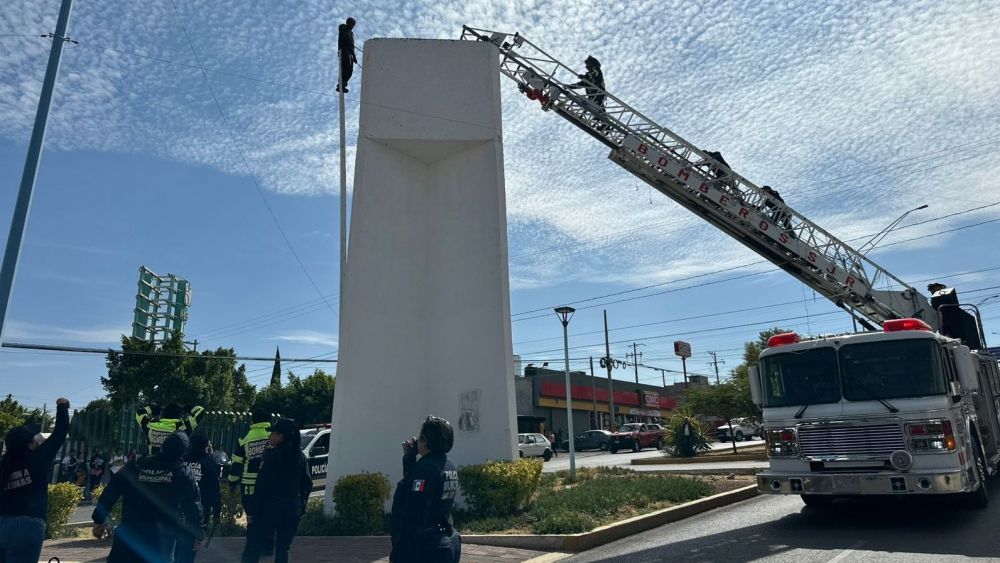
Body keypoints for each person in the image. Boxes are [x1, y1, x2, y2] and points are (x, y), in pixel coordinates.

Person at [93, 432, 206, 563]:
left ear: (163, 446)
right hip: (160, 543)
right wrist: (199, 534)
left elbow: (111, 492)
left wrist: (98, 519)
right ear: (183, 452)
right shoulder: (182, 473)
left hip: (128, 537)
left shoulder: (136, 465)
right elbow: (193, 506)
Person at [0, 397, 69, 562]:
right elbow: (59, 433)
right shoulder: (38, 458)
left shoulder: (4, 466)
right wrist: (63, 407)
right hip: (29, 526)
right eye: (34, 439)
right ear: (29, 444)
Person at [389, 416, 461, 563]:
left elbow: (415, 512)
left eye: (420, 437)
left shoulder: (425, 468)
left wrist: (400, 550)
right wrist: (409, 460)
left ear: (426, 441)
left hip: (428, 547)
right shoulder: (448, 465)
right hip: (449, 538)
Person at [240, 419, 312, 563]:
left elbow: (261, 486)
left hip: (270, 509)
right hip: (292, 509)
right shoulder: (300, 457)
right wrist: (301, 504)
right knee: (283, 550)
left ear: (280, 436)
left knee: (253, 547)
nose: (269, 436)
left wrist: (253, 512)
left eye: (272, 433)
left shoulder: (271, 457)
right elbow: (307, 484)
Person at [228, 409, 273, 555]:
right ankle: (268, 547)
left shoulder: (244, 437)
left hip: (249, 485)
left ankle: (252, 547)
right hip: (269, 484)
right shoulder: (274, 434)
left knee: (252, 517)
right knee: (268, 516)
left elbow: (236, 462)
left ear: (253, 420)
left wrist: (232, 483)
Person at [177, 434, 220, 563]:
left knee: (176, 543)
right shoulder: (210, 463)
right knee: (192, 546)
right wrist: (217, 511)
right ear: (206, 446)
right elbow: (215, 490)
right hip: (200, 510)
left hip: (178, 507)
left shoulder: (182, 459)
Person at [136, 403, 206, 456]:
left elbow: (139, 413)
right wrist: (185, 407)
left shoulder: (151, 425)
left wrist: (156, 408)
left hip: (152, 466)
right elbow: (200, 410)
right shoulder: (183, 426)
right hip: (174, 467)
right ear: (179, 416)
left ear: (162, 414)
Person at [567, 56, 607, 129]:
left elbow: (594, 75)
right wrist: (570, 86)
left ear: (592, 63)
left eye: (587, 64)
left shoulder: (596, 69)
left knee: (597, 106)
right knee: (597, 107)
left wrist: (584, 76)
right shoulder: (589, 76)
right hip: (594, 93)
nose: (586, 67)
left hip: (598, 92)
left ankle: (603, 122)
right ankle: (603, 123)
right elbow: (581, 84)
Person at [336, 17, 358, 93]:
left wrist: (354, 56)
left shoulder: (351, 34)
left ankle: (343, 84)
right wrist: (350, 45)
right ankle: (341, 83)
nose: (352, 26)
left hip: (350, 52)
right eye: (351, 24)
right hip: (344, 50)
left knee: (350, 70)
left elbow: (352, 46)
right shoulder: (343, 27)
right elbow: (346, 38)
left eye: (353, 25)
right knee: (346, 67)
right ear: (348, 23)